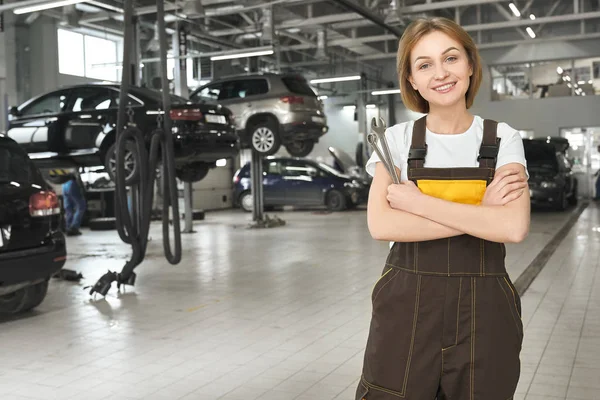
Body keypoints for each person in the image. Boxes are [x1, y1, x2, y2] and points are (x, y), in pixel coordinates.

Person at [355, 17, 530, 400]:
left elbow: (513, 228)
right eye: (424, 64)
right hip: (406, 305)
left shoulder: (504, 138)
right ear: (412, 80)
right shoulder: (394, 140)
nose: (441, 73)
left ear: (470, 64)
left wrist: (418, 204)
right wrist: (480, 211)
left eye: (450, 58)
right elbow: (381, 224)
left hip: (484, 311)